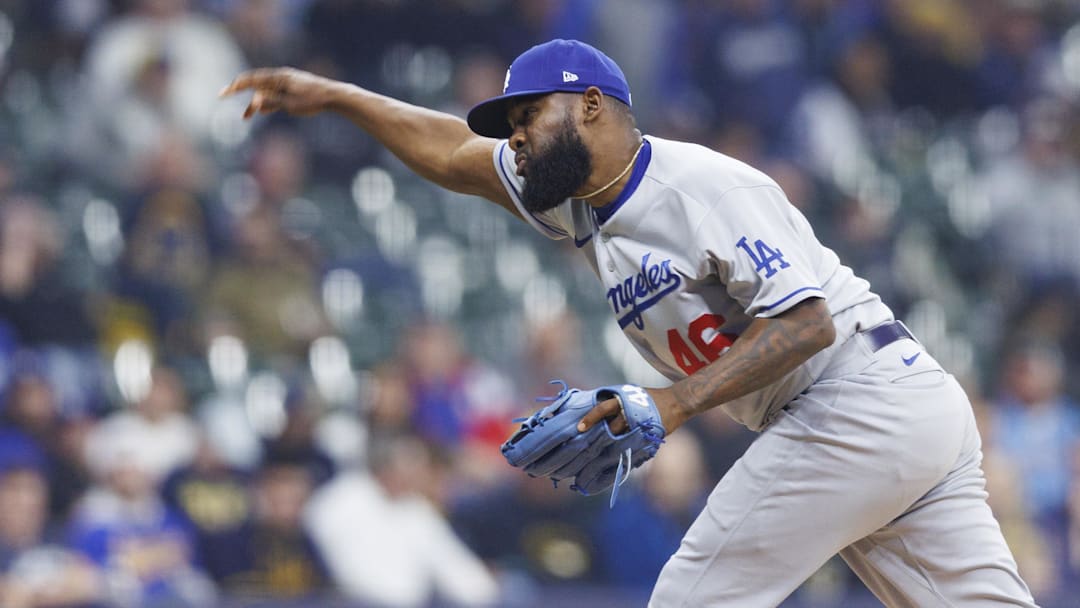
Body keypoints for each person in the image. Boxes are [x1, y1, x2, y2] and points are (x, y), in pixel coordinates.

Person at [221, 39, 1037, 606]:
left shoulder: (703, 187)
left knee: (692, 596)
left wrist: (667, 405)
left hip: (856, 396)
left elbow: (808, 323)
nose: (516, 142)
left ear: (591, 106)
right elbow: (447, 154)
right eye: (511, 130)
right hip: (888, 413)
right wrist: (336, 97)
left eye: (528, 119)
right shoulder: (570, 198)